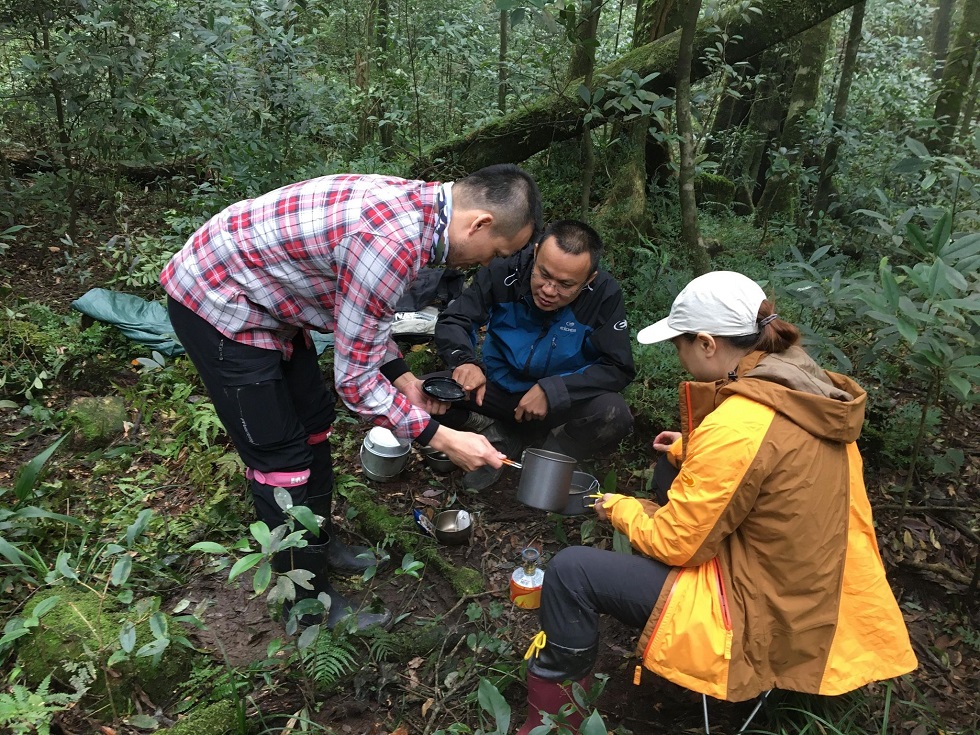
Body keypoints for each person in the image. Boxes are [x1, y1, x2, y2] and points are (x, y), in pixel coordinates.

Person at [515, 271, 917, 733]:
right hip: (817, 582)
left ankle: (553, 719)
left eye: (678, 345)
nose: (679, 356)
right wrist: (691, 451)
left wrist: (619, 507)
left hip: (761, 609)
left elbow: (677, 544)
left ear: (707, 343)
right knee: (670, 468)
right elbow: (775, 465)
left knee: (570, 571)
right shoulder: (802, 383)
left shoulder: (738, 425)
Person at [161, 165, 542, 631]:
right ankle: (304, 604)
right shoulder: (392, 242)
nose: (488, 264)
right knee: (280, 456)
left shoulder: (420, 212)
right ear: (479, 224)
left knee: (314, 423)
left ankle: (319, 543)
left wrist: (403, 378)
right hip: (219, 300)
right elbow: (355, 382)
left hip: (273, 300)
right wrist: (443, 438)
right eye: (496, 252)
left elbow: (360, 314)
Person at [431, 219, 635, 491]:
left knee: (613, 413)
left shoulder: (604, 295)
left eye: (565, 284)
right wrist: (465, 361)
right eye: (544, 274)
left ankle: (548, 458)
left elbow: (618, 366)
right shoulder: (505, 269)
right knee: (425, 392)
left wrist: (554, 390)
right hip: (495, 387)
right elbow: (456, 319)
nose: (549, 291)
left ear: (589, 280)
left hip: (558, 406)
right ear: (536, 252)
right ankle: (494, 433)